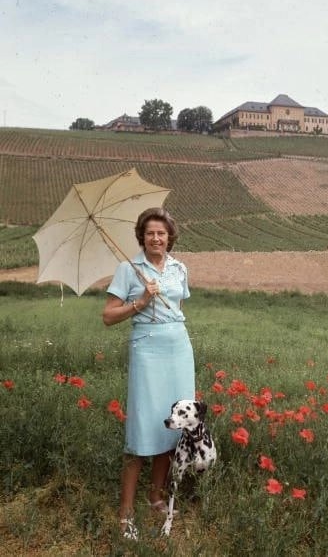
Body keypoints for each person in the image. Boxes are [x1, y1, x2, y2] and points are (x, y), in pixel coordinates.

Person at [102, 207, 195, 540]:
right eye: (150, 233)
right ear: (142, 237)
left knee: (173, 422)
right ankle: (125, 513)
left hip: (179, 349)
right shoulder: (128, 269)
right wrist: (140, 301)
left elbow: (178, 309)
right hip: (147, 351)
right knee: (142, 427)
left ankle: (155, 497)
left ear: (170, 237)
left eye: (161, 233)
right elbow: (108, 316)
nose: (156, 238)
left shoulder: (179, 269)